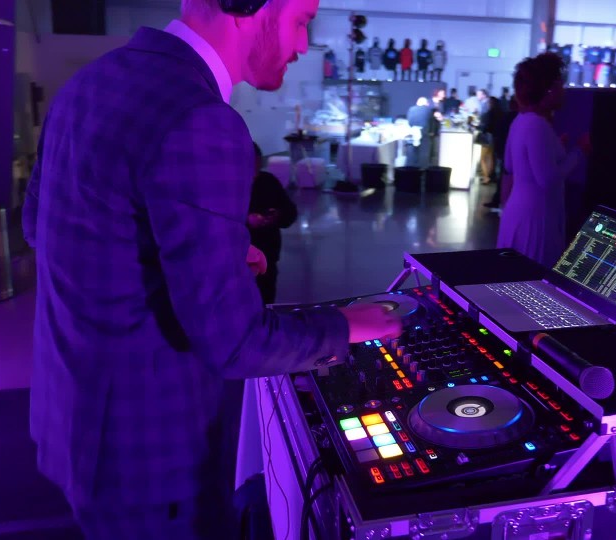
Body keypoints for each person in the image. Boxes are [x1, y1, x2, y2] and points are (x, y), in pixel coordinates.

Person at [23, 1, 403, 538]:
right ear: (250, 8)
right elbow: (234, 342)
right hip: (149, 456)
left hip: (73, 423)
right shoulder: (200, 117)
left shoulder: (87, 83)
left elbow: (43, 228)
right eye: (301, 20)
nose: (302, 44)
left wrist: (209, 254)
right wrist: (346, 326)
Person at [497, 53, 588, 266]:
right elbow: (547, 179)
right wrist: (579, 152)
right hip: (536, 215)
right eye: (560, 85)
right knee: (533, 273)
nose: (564, 91)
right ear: (549, 89)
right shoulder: (538, 125)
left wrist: (556, 150)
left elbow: (511, 165)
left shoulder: (520, 121)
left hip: (519, 210)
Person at [248, 143, 298, 305]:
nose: (253, 173)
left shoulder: (268, 181)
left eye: (257, 166)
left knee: (265, 300)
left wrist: (277, 216)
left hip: (267, 259)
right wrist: (247, 220)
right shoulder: (230, 188)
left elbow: (290, 213)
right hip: (240, 260)